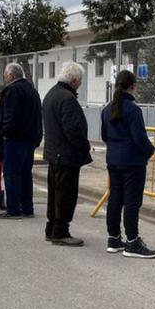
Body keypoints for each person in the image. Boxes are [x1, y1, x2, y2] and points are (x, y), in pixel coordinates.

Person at [101, 70, 155, 259]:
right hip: (132, 162)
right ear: (133, 87)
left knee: (115, 199)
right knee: (132, 202)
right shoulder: (133, 110)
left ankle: (114, 238)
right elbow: (139, 138)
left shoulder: (107, 109)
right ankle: (132, 241)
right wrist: (150, 150)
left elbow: (104, 136)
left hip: (113, 160)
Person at [42, 62, 92, 246]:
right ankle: (60, 231)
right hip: (66, 155)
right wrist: (84, 146)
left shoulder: (51, 94)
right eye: (79, 81)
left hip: (54, 152)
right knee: (66, 195)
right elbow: (72, 129)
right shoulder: (67, 99)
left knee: (54, 194)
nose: (80, 85)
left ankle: (51, 228)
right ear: (74, 80)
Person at [0, 63, 42, 220]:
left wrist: (4, 133)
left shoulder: (12, 90)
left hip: (15, 138)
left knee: (11, 174)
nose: (5, 78)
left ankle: (14, 209)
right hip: (30, 138)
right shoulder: (32, 90)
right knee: (25, 174)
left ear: (10, 75)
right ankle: (27, 207)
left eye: (5, 75)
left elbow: (10, 116)